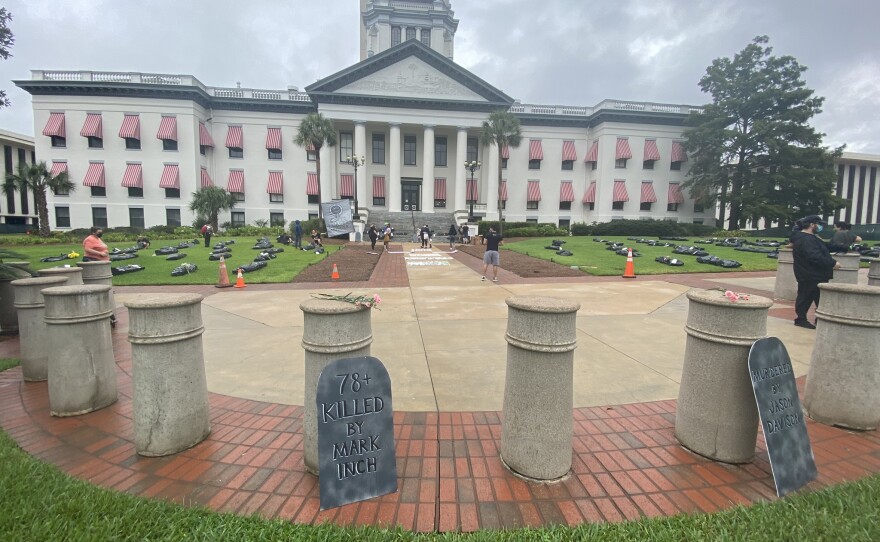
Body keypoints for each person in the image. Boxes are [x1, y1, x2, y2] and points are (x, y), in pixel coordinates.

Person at [792, 215, 841, 329]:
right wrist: (832, 263)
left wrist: (842, 248)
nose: (820, 227)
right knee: (805, 297)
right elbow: (814, 256)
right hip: (809, 274)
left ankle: (819, 318)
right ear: (812, 225)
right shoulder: (805, 239)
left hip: (816, 274)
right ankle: (801, 319)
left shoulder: (811, 238)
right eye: (819, 224)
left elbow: (824, 247)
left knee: (819, 298)